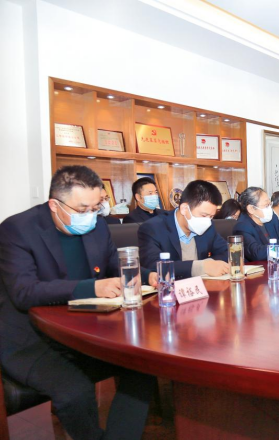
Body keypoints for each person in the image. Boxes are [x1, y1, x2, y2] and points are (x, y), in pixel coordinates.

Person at [0, 165, 157, 440]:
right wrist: (91, 287)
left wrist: (148, 276)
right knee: (75, 393)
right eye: (82, 209)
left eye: (96, 207)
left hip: (85, 333)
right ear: (54, 205)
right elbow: (23, 292)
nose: (91, 215)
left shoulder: (97, 225)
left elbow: (114, 265)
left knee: (143, 369)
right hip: (32, 340)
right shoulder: (17, 229)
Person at [138, 180, 229, 278]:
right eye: (203, 215)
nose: (207, 221)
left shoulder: (208, 227)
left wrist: (210, 264)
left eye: (211, 216)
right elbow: (153, 266)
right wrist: (201, 267)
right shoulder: (153, 228)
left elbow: (228, 252)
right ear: (184, 209)